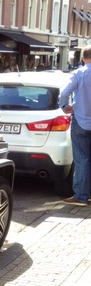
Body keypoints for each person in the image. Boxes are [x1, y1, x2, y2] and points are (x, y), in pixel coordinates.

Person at [58, 45, 91, 206]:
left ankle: (81, 196)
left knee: (82, 159)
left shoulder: (78, 74)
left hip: (82, 121)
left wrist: (65, 107)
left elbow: (64, 93)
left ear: (83, 58)